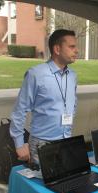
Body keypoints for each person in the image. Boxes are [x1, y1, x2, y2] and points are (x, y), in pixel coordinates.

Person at [10, 29, 78, 163]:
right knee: (42, 184)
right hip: (42, 144)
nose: (77, 51)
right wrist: (19, 143)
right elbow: (20, 110)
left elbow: (72, 104)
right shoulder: (36, 74)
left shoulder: (72, 76)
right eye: (72, 47)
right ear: (57, 49)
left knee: (65, 183)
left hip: (66, 141)